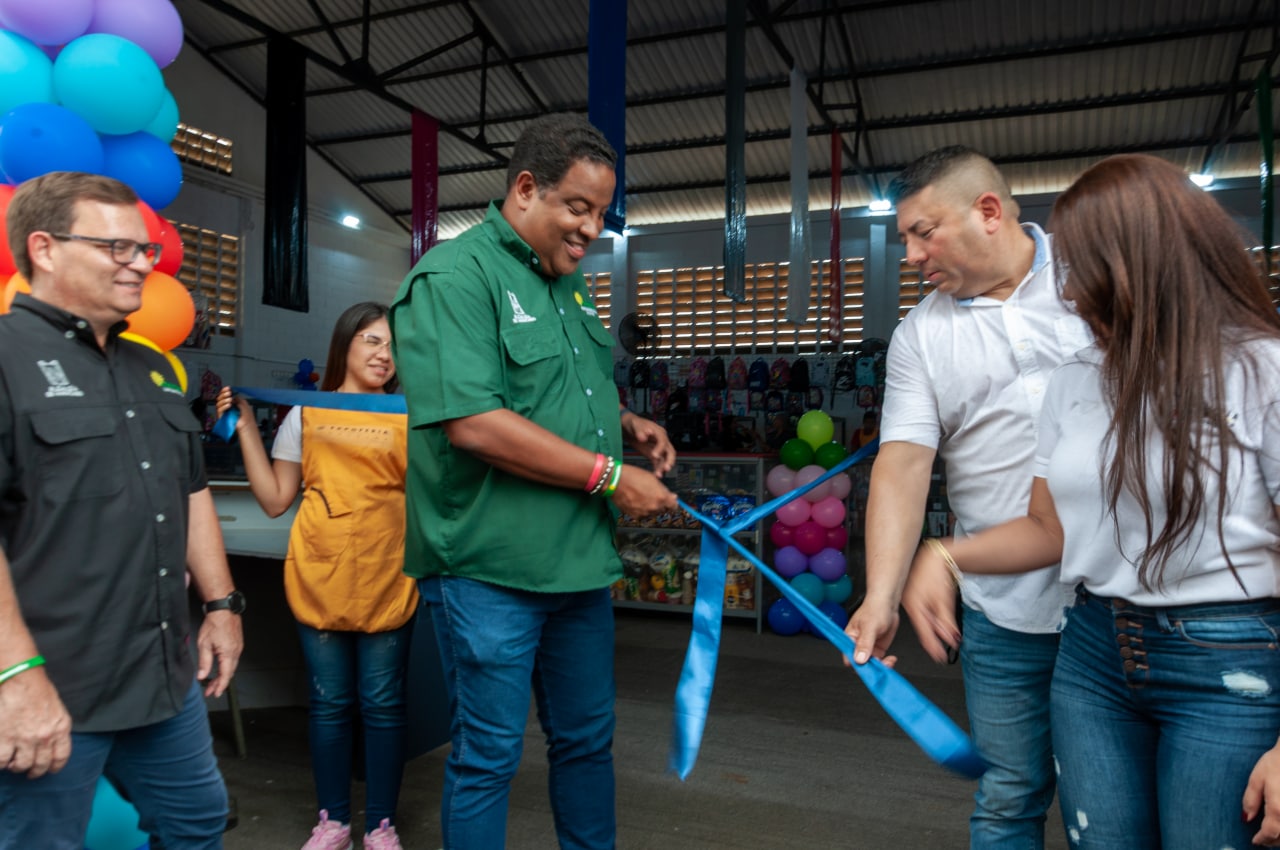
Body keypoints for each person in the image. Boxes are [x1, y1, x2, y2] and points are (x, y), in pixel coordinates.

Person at [908, 153, 1280, 848]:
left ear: (1143, 259)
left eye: (1081, 268)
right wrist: (944, 555)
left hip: (1225, 657)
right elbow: (1048, 529)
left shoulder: (1261, 369)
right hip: (1095, 653)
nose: (1069, 291)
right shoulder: (1078, 379)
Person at [389, 112, 678, 849]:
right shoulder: (455, 277)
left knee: (586, 742)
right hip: (489, 567)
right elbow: (475, 423)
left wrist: (625, 423)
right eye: (577, 208)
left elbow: (558, 391)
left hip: (576, 565)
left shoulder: (570, 286)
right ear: (525, 189)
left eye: (601, 214)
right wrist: (610, 475)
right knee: (488, 756)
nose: (591, 230)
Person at [843, 146, 1090, 848]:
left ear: (987, 211)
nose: (913, 255)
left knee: (1106, 810)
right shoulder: (921, 334)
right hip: (1002, 609)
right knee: (1009, 797)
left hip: (1119, 601)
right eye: (905, 240)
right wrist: (881, 596)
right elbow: (902, 464)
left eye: (924, 233)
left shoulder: (1092, 280)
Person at [0, 171, 243, 848]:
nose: (142, 264)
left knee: (197, 823)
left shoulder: (152, 368)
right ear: (45, 249)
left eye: (146, 250)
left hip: (160, 675)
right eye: (118, 248)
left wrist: (222, 606)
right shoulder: (6, 359)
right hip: (52, 681)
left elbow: (190, 489)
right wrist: (15, 677)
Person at [216, 302, 416, 850]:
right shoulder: (304, 415)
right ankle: (332, 824)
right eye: (372, 340)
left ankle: (381, 827)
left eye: (393, 345)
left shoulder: (410, 415)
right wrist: (247, 430)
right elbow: (276, 500)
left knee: (383, 705)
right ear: (344, 344)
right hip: (320, 573)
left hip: (388, 571)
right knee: (329, 703)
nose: (384, 354)